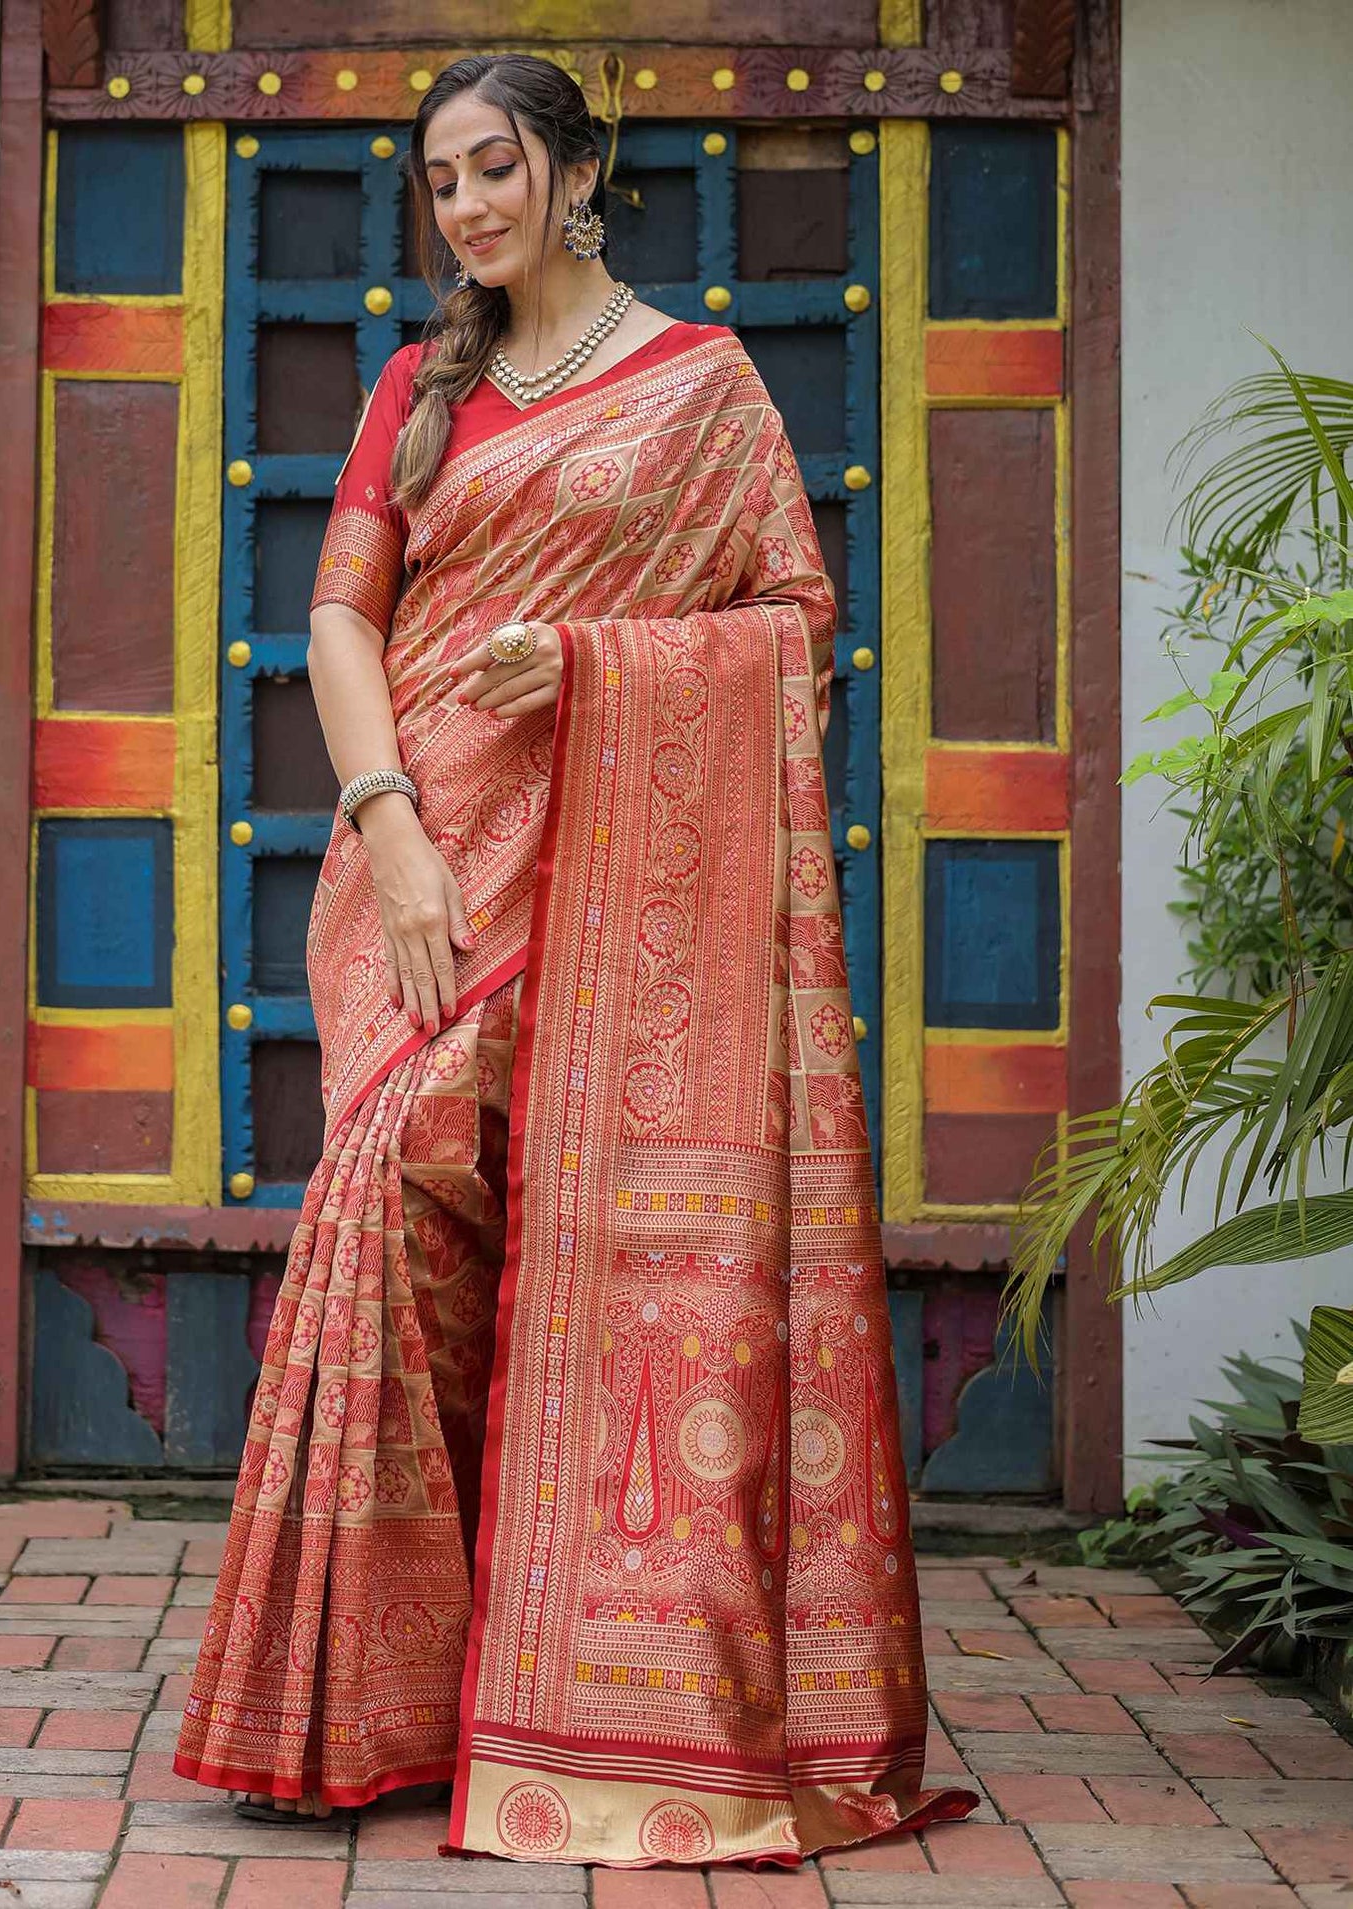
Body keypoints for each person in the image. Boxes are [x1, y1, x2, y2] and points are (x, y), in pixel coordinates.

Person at [174, 50, 976, 1868]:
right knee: (395, 1195)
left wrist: (607, 669)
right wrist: (385, 829)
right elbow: (339, 614)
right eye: (440, 180)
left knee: (578, 1239)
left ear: (580, 172)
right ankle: (367, 1700)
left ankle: (573, 1671)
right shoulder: (417, 386)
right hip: (432, 846)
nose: (466, 208)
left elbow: (794, 621)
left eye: (495, 169)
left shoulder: (702, 385)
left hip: (627, 864)